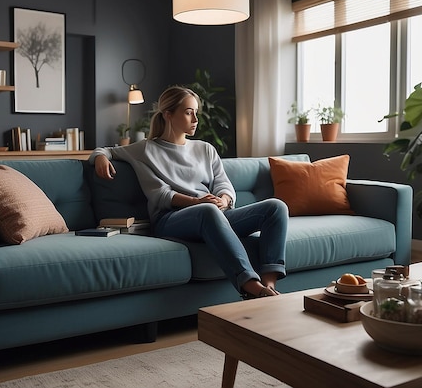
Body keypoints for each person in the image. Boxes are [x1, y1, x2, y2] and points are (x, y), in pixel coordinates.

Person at [89, 86, 288, 298]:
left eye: (195, 113)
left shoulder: (205, 149)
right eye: (188, 112)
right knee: (207, 212)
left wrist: (224, 199)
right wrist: (101, 159)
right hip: (171, 219)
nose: (195, 119)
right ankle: (250, 286)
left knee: (276, 207)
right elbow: (158, 193)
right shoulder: (146, 149)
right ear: (168, 115)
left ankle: (269, 286)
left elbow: (223, 183)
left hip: (213, 213)